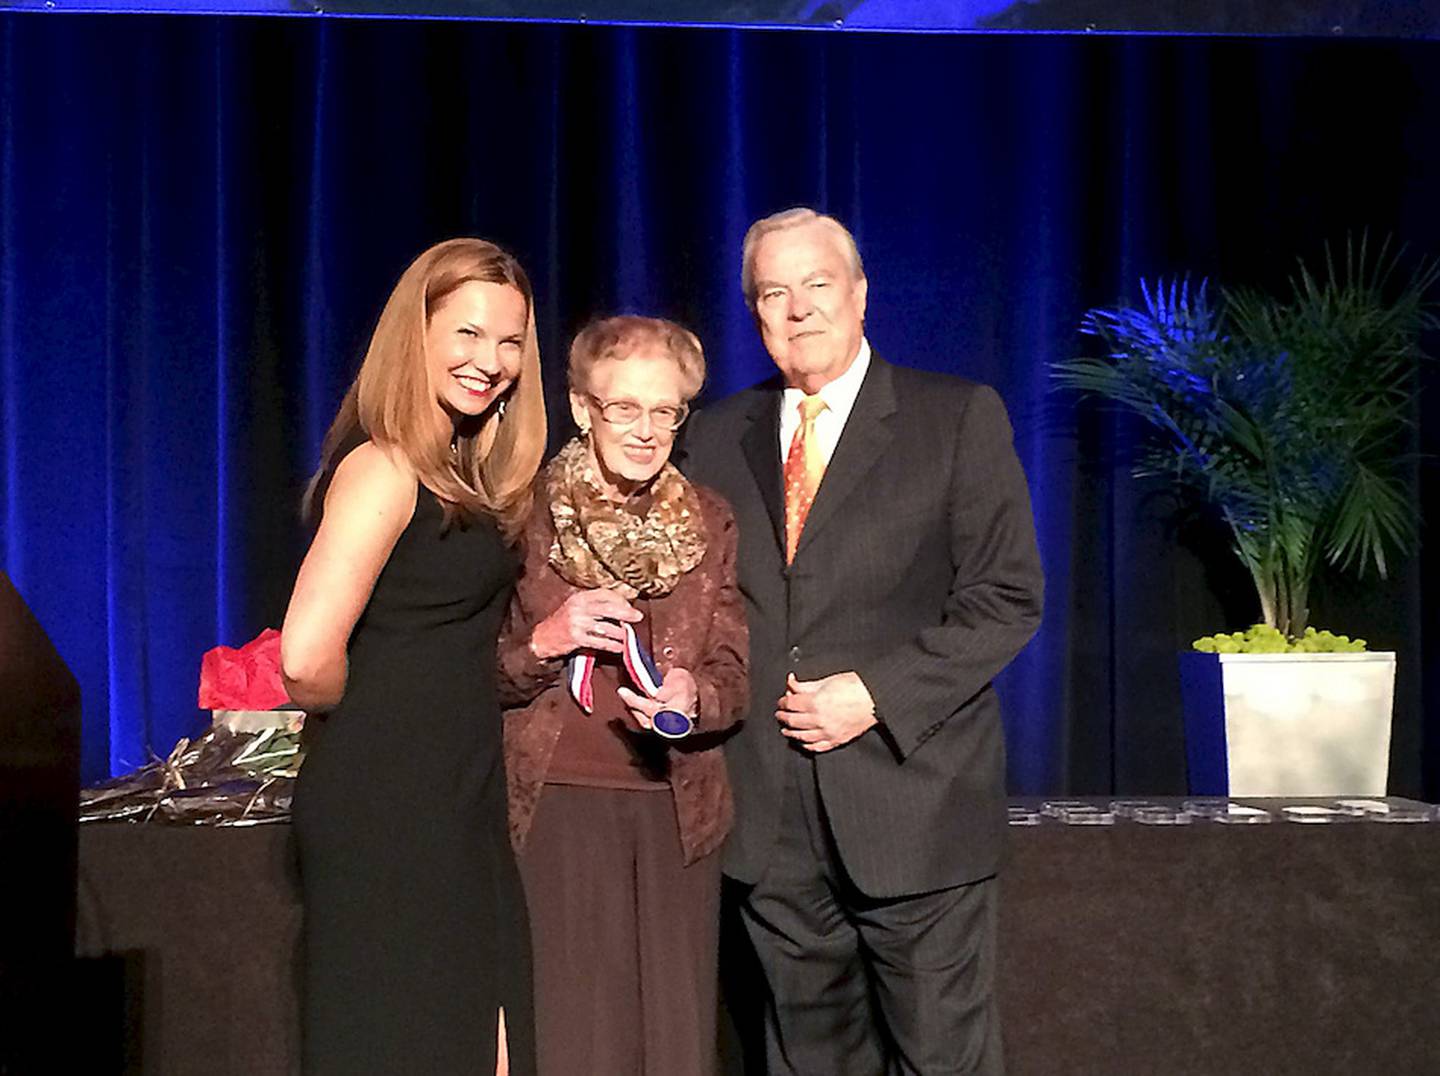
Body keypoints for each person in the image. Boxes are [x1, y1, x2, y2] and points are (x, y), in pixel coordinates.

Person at [682, 208, 1044, 1075]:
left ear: (860, 295)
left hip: (911, 804)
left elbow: (1007, 600)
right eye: (776, 291)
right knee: (810, 1062)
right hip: (769, 820)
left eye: (818, 284)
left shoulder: (954, 417)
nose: (799, 307)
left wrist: (872, 694)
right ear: (755, 314)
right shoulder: (712, 436)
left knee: (943, 1062)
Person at [280, 238, 546, 1075]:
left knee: (486, 1035)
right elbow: (303, 657)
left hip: (457, 791)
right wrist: (380, 719)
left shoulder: (462, 474)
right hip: (391, 803)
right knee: (409, 1035)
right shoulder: (384, 468)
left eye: (509, 342)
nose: (490, 361)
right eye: (466, 334)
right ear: (417, 336)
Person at [497, 315, 747, 1076]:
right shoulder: (523, 513)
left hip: (674, 807)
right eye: (624, 408)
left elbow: (734, 674)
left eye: (665, 411)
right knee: (577, 1041)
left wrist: (690, 696)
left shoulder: (710, 518)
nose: (646, 431)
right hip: (555, 807)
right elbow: (477, 670)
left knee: (671, 1044)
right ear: (582, 408)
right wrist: (549, 638)